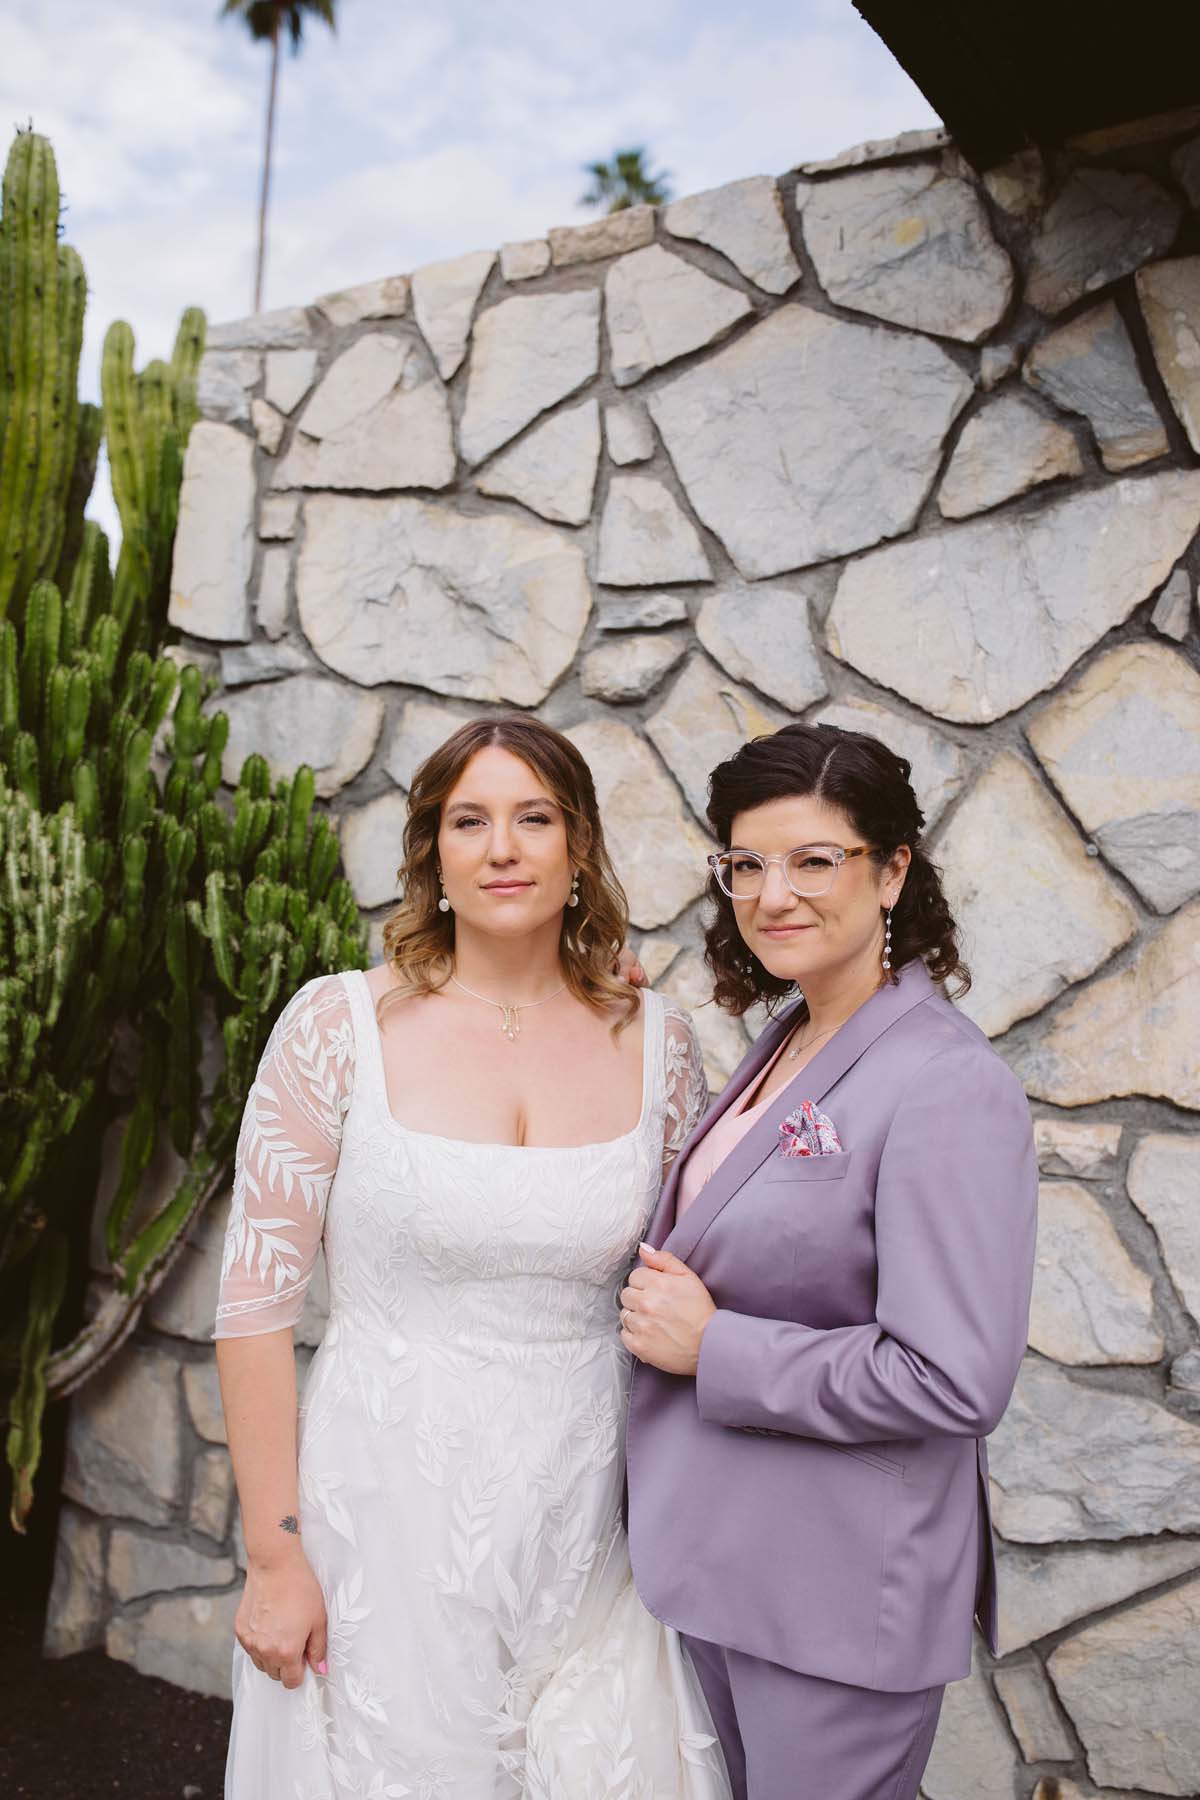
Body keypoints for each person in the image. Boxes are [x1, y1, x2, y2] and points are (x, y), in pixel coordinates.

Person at [213, 716, 731, 1799]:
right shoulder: (336, 1027)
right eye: (471, 820)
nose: (503, 847)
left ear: (578, 850)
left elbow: (696, 1269)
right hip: (386, 1523)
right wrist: (276, 1557)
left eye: (534, 818)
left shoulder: (661, 1044)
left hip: (592, 1531)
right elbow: (256, 1309)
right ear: (433, 856)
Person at [621, 721, 1038, 1800]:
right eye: (746, 864)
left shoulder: (945, 1082)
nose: (773, 894)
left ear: (894, 870)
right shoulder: (786, 1040)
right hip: (725, 1567)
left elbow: (952, 1377)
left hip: (842, 1599)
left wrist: (716, 1347)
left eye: (815, 860)